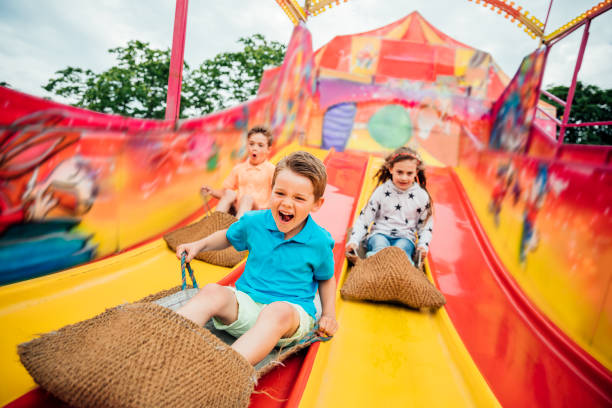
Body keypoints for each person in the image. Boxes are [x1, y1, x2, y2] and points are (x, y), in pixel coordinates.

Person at [176, 151, 338, 365]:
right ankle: (166, 338)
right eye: (280, 193)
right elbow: (227, 237)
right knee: (212, 291)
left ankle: (224, 369)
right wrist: (199, 245)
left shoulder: (318, 241)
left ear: (316, 204)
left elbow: (326, 278)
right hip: (247, 304)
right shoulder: (254, 222)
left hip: (288, 317)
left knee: (276, 311)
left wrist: (329, 314)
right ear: (271, 191)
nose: (287, 204)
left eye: (299, 198)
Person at [345, 147, 433, 266]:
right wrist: (354, 240)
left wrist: (423, 246)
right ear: (391, 169)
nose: (404, 177)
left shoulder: (421, 196)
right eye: (399, 172)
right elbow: (364, 219)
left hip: (405, 237)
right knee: (380, 247)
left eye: (409, 173)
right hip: (380, 234)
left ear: (416, 171)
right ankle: (373, 266)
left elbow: (425, 226)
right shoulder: (381, 192)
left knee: (401, 250)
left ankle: (403, 269)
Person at [201, 126, 275, 218]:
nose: (254, 148)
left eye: (260, 145)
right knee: (230, 193)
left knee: (247, 198)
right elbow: (224, 193)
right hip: (239, 209)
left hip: (259, 213)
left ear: (268, 149)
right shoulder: (239, 168)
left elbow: (277, 194)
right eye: (251, 144)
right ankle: (214, 222)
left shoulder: (271, 170)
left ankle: (237, 228)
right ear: (247, 145)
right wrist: (212, 192)